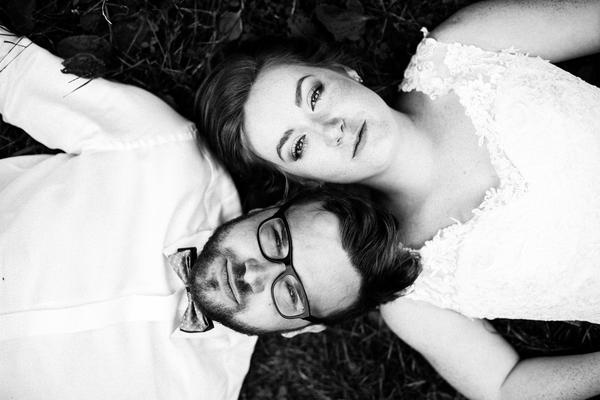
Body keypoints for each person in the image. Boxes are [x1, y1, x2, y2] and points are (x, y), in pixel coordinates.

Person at [195, 0, 600, 398]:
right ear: (302, 179)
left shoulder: (463, 47)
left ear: (344, 72)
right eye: (298, 146)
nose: (331, 129)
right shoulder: (412, 297)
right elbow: (505, 386)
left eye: (314, 96)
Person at [0, 27, 256, 399]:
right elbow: (15, 74)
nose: (256, 273)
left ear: (302, 328)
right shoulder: (169, 153)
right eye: (279, 239)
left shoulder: (202, 391)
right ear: (270, 210)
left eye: (292, 292)